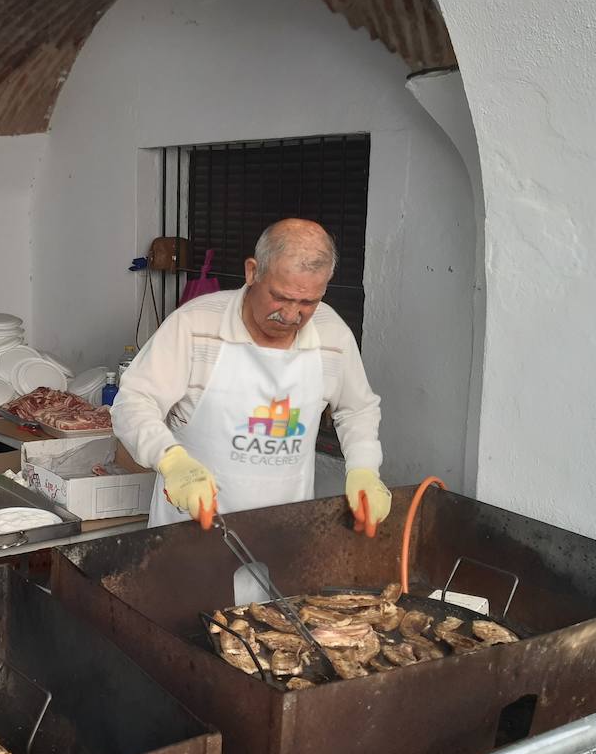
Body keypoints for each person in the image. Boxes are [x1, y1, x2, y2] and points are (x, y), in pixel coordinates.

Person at [111, 218, 391, 528]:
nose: (290, 315)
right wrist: (171, 460)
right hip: (190, 531)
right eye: (281, 297)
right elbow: (134, 402)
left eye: (308, 302)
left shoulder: (333, 336)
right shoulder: (194, 326)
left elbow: (357, 409)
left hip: (286, 531)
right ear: (252, 271)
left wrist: (364, 468)